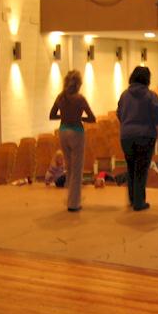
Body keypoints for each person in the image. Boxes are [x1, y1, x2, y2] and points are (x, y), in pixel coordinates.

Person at [117, 66, 158, 211]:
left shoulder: (124, 95)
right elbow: (157, 119)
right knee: (141, 170)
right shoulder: (151, 96)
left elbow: (119, 114)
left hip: (126, 137)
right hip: (145, 136)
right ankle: (139, 202)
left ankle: (132, 199)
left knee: (131, 168)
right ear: (147, 79)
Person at [49, 70, 95, 212]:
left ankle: (70, 198)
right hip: (76, 132)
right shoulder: (80, 99)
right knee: (77, 169)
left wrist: (64, 117)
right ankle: (73, 204)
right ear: (78, 84)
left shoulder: (60, 97)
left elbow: (51, 115)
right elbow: (92, 118)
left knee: (69, 167)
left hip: (63, 132)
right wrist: (80, 118)